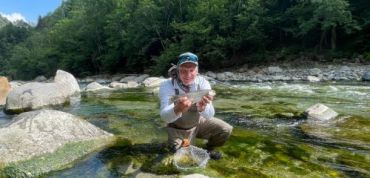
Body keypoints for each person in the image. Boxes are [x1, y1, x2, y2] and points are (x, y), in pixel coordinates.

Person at [159, 52, 233, 160]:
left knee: (226, 129)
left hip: (197, 123)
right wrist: (177, 108)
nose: (188, 75)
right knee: (181, 156)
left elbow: (209, 115)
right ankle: (181, 145)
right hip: (177, 128)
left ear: (197, 70)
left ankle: (209, 148)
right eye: (183, 71)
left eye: (191, 70)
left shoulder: (203, 83)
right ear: (178, 70)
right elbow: (164, 117)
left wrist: (203, 108)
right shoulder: (167, 85)